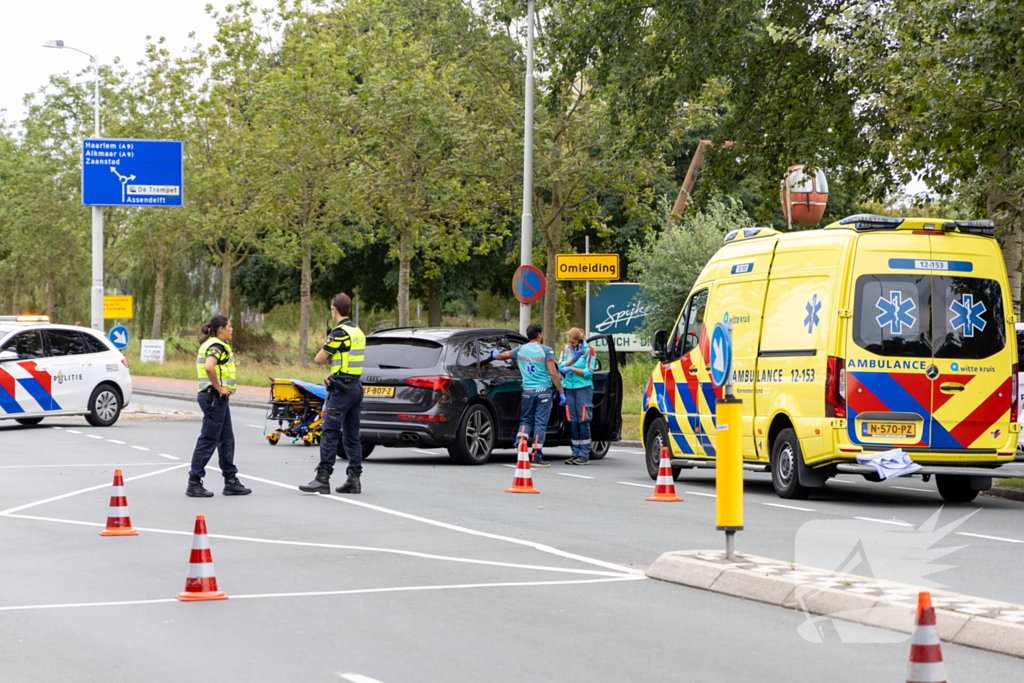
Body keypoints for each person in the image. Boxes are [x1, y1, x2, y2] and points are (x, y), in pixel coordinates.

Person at [300, 292, 366, 494]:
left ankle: (323, 478)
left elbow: (319, 359)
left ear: (334, 309)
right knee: (352, 435)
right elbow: (345, 356)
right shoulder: (358, 332)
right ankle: (354, 479)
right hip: (355, 387)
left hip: (341, 389)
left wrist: (328, 351)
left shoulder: (339, 333)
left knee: (329, 433)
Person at [187, 315, 251, 498]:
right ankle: (194, 482)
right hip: (214, 397)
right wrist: (219, 387)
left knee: (226, 439)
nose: (232, 329)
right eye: (229, 326)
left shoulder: (214, 344)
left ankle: (230, 481)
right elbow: (209, 367)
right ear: (221, 329)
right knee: (208, 439)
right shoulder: (216, 346)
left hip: (217, 399)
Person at [488, 323, 565, 467]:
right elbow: (553, 373)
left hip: (527, 392)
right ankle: (536, 457)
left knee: (526, 421)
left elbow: (504, 355)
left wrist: (493, 356)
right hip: (543, 392)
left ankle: (521, 446)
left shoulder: (520, 349)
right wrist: (561, 392)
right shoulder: (546, 351)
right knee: (540, 423)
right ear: (539, 335)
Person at [558, 328, 597, 465]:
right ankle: (575, 452)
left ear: (580, 341)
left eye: (573, 343)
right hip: (569, 388)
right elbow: (560, 365)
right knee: (572, 420)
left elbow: (588, 372)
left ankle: (584, 454)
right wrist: (572, 360)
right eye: (569, 341)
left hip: (583, 388)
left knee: (583, 420)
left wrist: (571, 368)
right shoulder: (566, 348)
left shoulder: (589, 351)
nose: (570, 345)